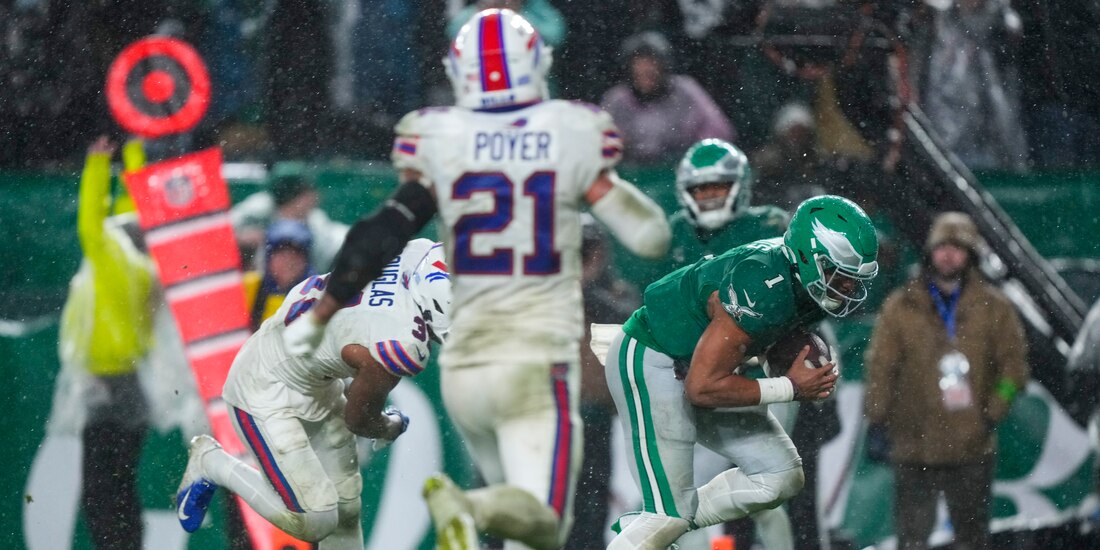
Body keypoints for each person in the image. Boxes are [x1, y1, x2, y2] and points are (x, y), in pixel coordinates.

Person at [280, 9, 671, 549]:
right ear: (535, 63)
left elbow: (382, 231)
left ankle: (476, 510)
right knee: (545, 521)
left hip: (467, 361)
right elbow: (651, 236)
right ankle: (469, 507)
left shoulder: (441, 136)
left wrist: (326, 307)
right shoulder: (567, 132)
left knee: (505, 494)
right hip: (537, 352)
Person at [602, 195, 879, 549]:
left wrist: (792, 349)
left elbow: (759, 341)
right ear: (810, 257)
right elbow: (700, 388)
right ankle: (661, 521)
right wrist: (789, 387)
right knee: (666, 516)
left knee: (781, 476)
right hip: (651, 359)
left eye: (854, 281)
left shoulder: (800, 279)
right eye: (839, 277)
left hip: (694, 366)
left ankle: (658, 524)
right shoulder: (761, 283)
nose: (848, 289)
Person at [174, 238, 451, 547]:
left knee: (346, 509)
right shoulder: (399, 341)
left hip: (313, 376)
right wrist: (389, 426)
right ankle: (212, 463)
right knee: (315, 519)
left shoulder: (414, 254)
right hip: (265, 388)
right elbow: (358, 420)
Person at [652, 138, 796, 550]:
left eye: (717, 186)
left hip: (763, 371)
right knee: (687, 488)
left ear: (740, 186)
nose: (710, 196)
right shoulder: (677, 232)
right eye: (702, 189)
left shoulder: (768, 226)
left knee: (771, 489)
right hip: (703, 378)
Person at [863, 211, 1029, 550]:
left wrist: (991, 413)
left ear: (971, 254)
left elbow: (1014, 370)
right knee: (912, 541)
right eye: (942, 247)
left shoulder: (994, 308)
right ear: (929, 252)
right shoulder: (901, 306)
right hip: (913, 444)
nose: (949, 255)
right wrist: (877, 418)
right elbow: (881, 367)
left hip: (971, 447)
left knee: (971, 541)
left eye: (958, 247)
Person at [56, 136, 156, 550]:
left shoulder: (114, 258)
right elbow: (138, 210)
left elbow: (91, 222)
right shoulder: (146, 266)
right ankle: (127, 543)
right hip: (135, 384)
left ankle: (115, 545)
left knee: (100, 487)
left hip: (106, 382)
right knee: (122, 481)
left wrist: (97, 165)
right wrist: (134, 157)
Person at [568, 215, 642, 549]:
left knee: (591, 508)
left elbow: (625, 318)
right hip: (548, 417)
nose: (581, 257)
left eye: (585, 249)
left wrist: (582, 283)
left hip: (596, 417)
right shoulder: (543, 297)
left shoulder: (617, 294)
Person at [600, 31, 735, 166]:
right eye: (639, 63)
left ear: (664, 65)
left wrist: (694, 155)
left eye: (651, 62)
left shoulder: (685, 90)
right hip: (631, 174)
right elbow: (600, 144)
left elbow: (720, 132)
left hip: (679, 169)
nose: (646, 69)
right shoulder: (616, 100)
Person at [231, 171, 349, 271]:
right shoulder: (259, 208)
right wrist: (244, 238)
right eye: (307, 194)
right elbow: (223, 233)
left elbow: (324, 255)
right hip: (258, 279)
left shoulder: (316, 220)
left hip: (301, 282)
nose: (315, 198)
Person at [244, 219, 317, 330]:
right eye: (281, 255)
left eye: (295, 255)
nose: (288, 262)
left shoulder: (316, 295)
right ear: (269, 258)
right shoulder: (248, 287)